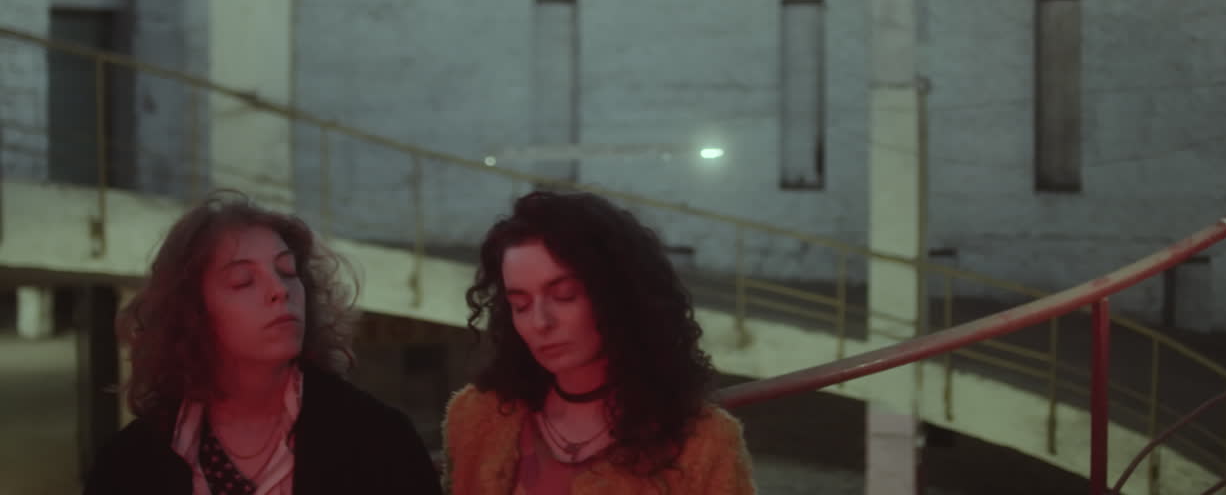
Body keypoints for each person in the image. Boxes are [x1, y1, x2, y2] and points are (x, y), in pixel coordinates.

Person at [83, 191, 443, 495]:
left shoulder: (377, 440)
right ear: (192, 312)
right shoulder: (130, 464)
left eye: (287, 272)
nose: (279, 290)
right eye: (243, 280)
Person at [443, 190, 756, 495]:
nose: (540, 322)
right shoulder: (478, 417)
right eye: (520, 305)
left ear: (617, 294)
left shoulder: (702, 443)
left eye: (565, 295)